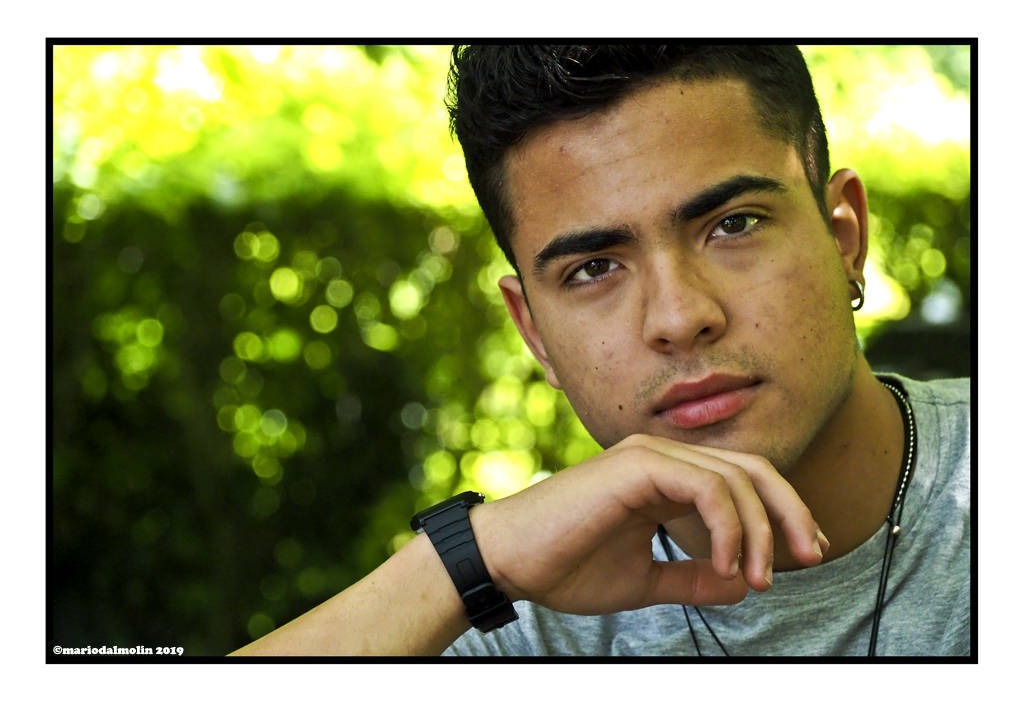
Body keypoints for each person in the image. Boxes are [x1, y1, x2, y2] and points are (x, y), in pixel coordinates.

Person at [232, 44, 971, 657]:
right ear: (534, 334)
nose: (679, 317)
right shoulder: (511, 613)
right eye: (593, 269)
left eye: (734, 225)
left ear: (845, 239)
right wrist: (465, 562)